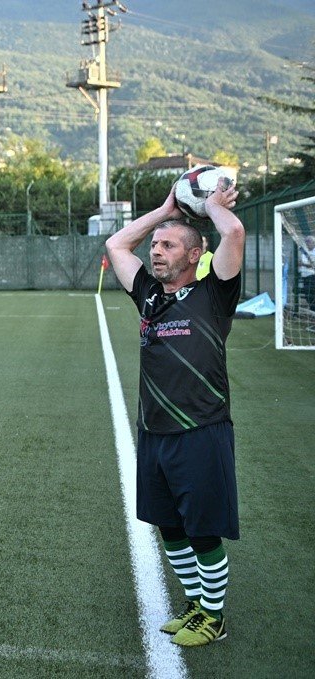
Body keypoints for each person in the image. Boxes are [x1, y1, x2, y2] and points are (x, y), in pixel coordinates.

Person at [104, 177, 243, 648]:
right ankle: (194, 604)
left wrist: (211, 206)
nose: (156, 250)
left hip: (201, 430)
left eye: (168, 245)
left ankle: (214, 616)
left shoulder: (214, 295)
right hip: (155, 431)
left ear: (193, 254)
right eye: (157, 244)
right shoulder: (148, 294)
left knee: (203, 531)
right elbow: (117, 243)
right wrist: (165, 210)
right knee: (171, 527)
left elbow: (235, 235)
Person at [297, 235, 315, 312]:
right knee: (307, 294)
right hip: (304, 275)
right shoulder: (304, 252)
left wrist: (303, 264)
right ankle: (312, 310)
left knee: (310, 294)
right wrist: (299, 263)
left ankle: (313, 310)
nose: (307, 244)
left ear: (313, 243)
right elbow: (301, 262)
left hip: (312, 276)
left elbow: (313, 265)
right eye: (306, 242)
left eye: (308, 242)